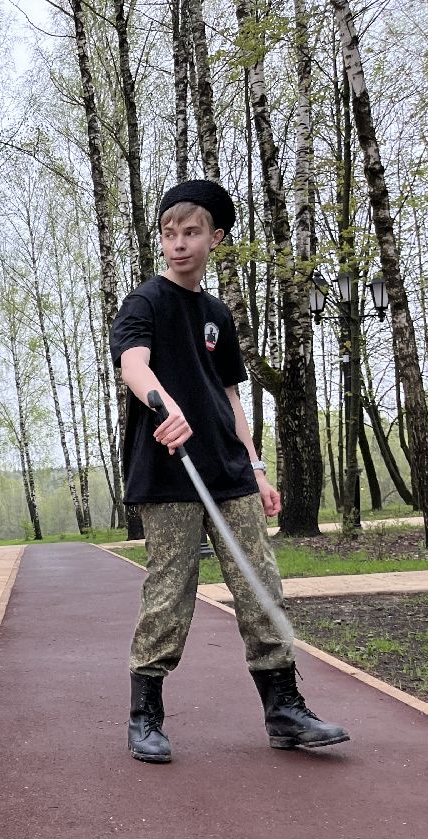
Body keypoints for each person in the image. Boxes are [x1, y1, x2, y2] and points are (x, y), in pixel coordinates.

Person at [111, 178, 350, 764]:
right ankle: (146, 714)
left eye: (191, 233)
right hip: (170, 474)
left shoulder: (217, 313)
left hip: (229, 473)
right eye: (169, 234)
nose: (178, 244)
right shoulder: (145, 302)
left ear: (215, 237)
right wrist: (162, 405)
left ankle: (284, 709)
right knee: (171, 592)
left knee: (259, 582)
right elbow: (132, 363)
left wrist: (259, 469)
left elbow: (230, 398)